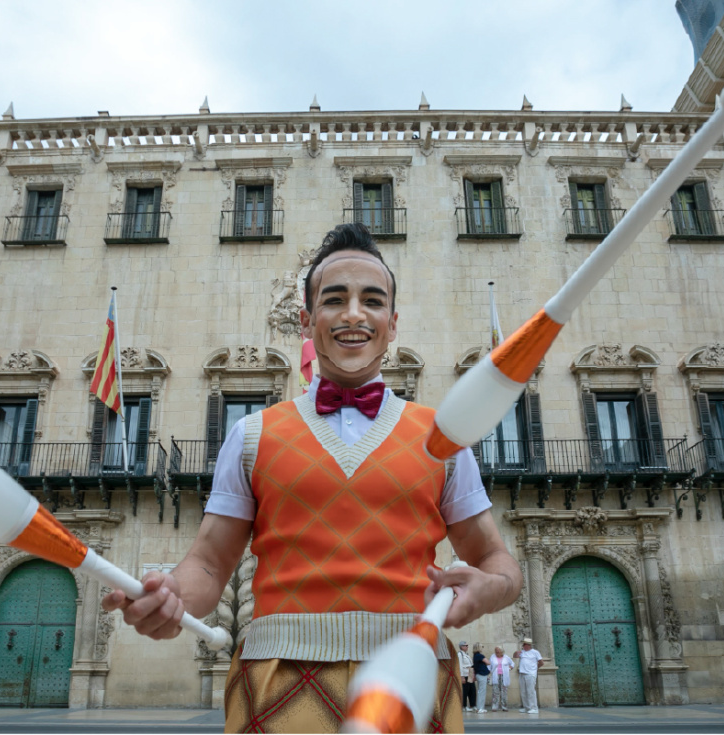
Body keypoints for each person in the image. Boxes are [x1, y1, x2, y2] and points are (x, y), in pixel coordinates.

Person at [103, 223, 524, 733]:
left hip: (413, 686)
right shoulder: (251, 435)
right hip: (273, 685)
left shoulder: (445, 439)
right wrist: (171, 594)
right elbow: (210, 564)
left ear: (393, 323)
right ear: (306, 320)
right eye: (334, 299)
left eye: (372, 301)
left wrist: (493, 588)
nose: (354, 314)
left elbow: (496, 558)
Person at [514, 637, 543, 715]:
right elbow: (515, 656)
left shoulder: (535, 652)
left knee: (531, 691)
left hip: (530, 674)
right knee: (523, 692)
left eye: (524, 644)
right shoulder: (522, 652)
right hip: (522, 673)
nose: (523, 646)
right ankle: (527, 707)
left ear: (528, 645)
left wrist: (535, 669)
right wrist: (516, 653)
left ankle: (534, 708)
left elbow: (541, 662)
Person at [488, 645, 513, 711]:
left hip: (504, 676)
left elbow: (512, 664)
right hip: (495, 675)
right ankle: (494, 706)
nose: (497, 653)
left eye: (498, 651)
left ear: (502, 651)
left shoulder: (506, 657)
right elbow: (489, 665)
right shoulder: (492, 657)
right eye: (496, 651)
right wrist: (489, 672)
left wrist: (510, 668)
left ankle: (504, 706)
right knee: (495, 691)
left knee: (504, 692)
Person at [457, 641, 476, 712]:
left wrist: (473, 674)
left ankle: (472, 705)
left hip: (470, 673)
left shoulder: (466, 654)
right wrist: (461, 676)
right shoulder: (460, 654)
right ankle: (464, 706)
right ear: (462, 647)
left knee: (472, 690)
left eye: (467, 645)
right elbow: (460, 665)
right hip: (465, 674)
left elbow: (470, 664)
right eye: (466, 645)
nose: (467, 647)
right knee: (465, 690)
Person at [472, 643, 490, 713]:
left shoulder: (475, 656)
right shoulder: (479, 655)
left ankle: (479, 707)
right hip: (482, 674)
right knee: (482, 691)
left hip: (478, 674)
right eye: (481, 647)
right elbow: (488, 662)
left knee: (480, 691)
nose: (482, 648)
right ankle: (480, 708)